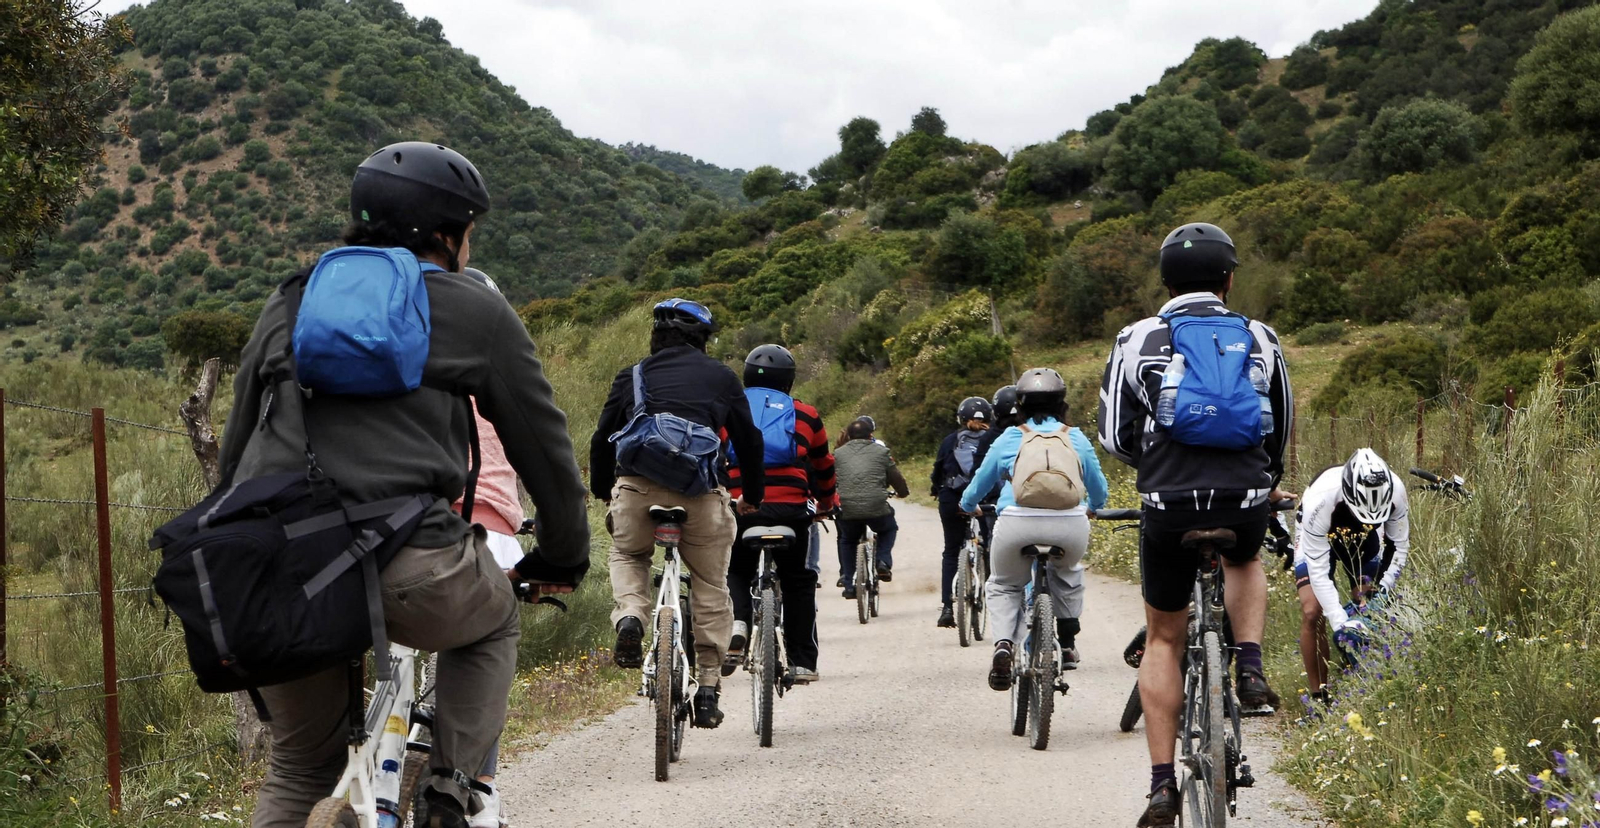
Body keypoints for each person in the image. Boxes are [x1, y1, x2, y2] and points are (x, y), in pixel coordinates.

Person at [221, 142, 590, 828]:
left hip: (272, 565)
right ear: (447, 236)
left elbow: (236, 448)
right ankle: (451, 785)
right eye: (469, 234)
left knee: (301, 769)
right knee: (492, 620)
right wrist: (564, 554)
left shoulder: (290, 301)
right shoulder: (474, 311)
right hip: (409, 559)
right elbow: (546, 452)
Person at [1098, 222, 1293, 827]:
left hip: (1168, 500)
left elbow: (1113, 435)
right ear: (1229, 279)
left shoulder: (1136, 337)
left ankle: (1161, 786)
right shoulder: (1259, 335)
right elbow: (1278, 423)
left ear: (1165, 280)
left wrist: (1155, 463)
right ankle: (1253, 667)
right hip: (1244, 495)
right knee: (1246, 557)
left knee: (1162, 637)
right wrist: (1263, 478)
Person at [591, 298, 766, 730]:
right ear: (702, 340)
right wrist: (753, 495)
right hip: (702, 494)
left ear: (656, 336)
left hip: (636, 489)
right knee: (710, 581)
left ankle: (632, 615)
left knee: (629, 555)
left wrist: (602, 489)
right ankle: (708, 688)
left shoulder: (632, 376)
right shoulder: (723, 378)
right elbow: (749, 442)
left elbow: (602, 439)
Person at [960, 369, 1107, 686]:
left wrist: (967, 505)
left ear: (1020, 405)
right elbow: (1099, 489)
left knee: (1004, 585)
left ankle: (1003, 645)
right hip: (1068, 524)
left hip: (1017, 522)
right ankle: (1067, 645)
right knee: (1068, 574)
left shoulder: (1011, 437)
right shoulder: (1075, 436)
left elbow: (978, 484)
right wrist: (1093, 508)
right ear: (1062, 403)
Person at [448, 268, 528, 828]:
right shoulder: (500, 383)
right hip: (487, 532)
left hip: (385, 530)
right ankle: (479, 789)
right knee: (485, 656)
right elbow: (539, 458)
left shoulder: (399, 370)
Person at [723, 345, 838, 684]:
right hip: (791, 509)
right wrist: (827, 505)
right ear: (788, 381)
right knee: (799, 581)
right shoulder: (805, 414)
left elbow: (713, 455)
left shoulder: (728, 409)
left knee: (736, 569)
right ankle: (802, 660)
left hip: (740, 503)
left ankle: (738, 623)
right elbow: (823, 467)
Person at [1294, 448, 1410, 703]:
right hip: (1319, 532)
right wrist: (1339, 624)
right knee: (1313, 610)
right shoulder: (1322, 499)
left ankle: (1369, 685)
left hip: (1363, 537)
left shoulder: (1396, 492)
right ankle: (1318, 699)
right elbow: (1319, 570)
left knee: (1366, 602)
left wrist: (1384, 593)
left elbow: (1399, 547)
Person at [932, 397, 993, 628]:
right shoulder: (994, 439)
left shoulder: (950, 441)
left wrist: (936, 489)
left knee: (950, 550)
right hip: (986, 499)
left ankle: (947, 606)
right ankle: (993, 597)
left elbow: (938, 471)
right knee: (990, 547)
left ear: (960, 418)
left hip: (953, 498)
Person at [834, 416, 910, 598]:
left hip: (847, 507)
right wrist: (903, 492)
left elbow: (829, 480)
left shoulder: (837, 454)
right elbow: (895, 477)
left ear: (849, 436)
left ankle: (849, 583)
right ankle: (883, 561)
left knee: (847, 540)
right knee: (889, 528)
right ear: (871, 435)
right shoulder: (881, 452)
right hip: (876, 505)